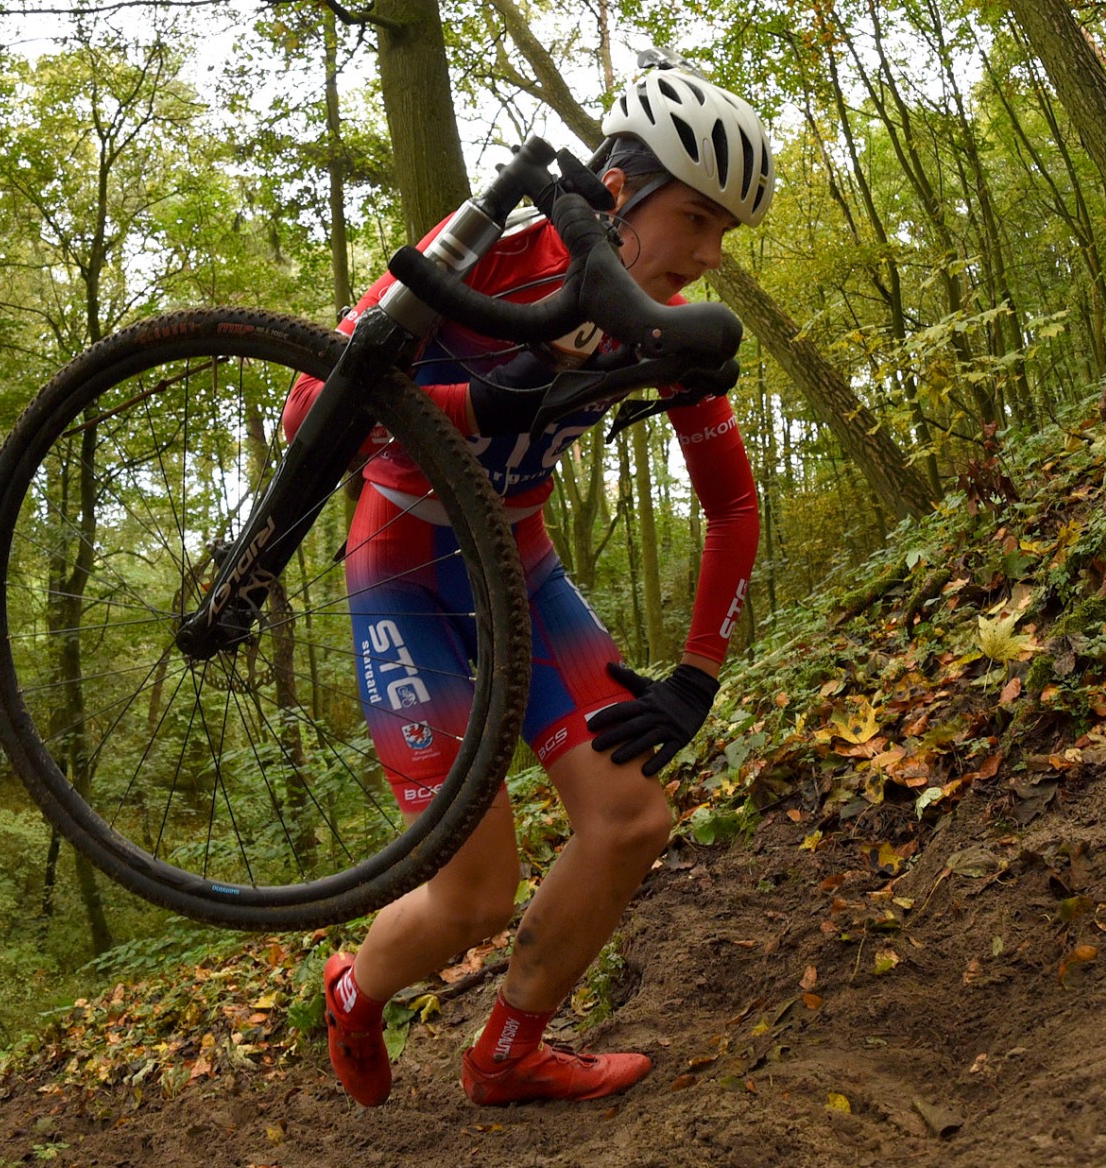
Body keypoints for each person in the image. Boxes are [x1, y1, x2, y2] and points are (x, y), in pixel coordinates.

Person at [281, 58, 774, 1108]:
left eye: (724, 232)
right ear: (619, 190)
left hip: (522, 564)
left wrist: (698, 673)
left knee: (632, 818)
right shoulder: (491, 245)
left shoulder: (661, 321)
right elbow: (306, 410)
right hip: (404, 567)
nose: (707, 255)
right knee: (473, 895)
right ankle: (354, 991)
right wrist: (482, 403)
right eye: (695, 218)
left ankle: (508, 1054)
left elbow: (733, 507)